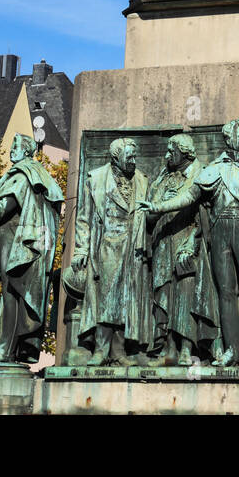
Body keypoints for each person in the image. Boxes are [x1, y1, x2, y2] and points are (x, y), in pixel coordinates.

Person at [139, 120, 239, 367]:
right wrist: (158, 206)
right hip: (220, 231)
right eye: (238, 135)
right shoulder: (214, 168)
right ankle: (231, 349)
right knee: (226, 292)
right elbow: (188, 196)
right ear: (228, 139)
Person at [0, 134, 63, 364]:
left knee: (10, 294)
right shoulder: (22, 173)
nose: (12, 150)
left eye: (16, 147)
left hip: (14, 241)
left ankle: (4, 351)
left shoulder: (25, 172)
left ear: (27, 152)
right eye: (12, 146)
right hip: (1, 243)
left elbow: (7, 204)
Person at [68, 137, 153, 366]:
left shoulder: (142, 180)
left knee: (125, 301)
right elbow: (84, 218)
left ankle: (119, 350)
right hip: (107, 246)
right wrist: (81, 250)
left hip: (133, 247)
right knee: (106, 299)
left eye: (135, 157)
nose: (134, 161)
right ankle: (100, 349)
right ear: (116, 157)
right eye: (129, 157)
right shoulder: (95, 179)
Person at [143, 134, 219, 366]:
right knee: (164, 294)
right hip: (164, 242)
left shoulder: (201, 174)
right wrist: (156, 206)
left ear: (184, 153)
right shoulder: (162, 178)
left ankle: (187, 348)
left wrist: (193, 241)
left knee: (186, 294)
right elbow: (148, 215)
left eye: (171, 151)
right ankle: (169, 349)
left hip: (188, 242)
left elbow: (207, 212)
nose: (166, 156)